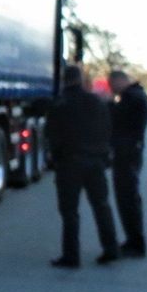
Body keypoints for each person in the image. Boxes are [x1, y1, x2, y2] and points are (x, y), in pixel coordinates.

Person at [46, 64, 119, 268]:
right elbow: (108, 129)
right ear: (81, 79)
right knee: (101, 206)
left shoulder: (60, 104)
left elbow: (52, 135)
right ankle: (111, 248)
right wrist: (104, 155)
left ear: (65, 81)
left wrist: (56, 158)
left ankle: (71, 256)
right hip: (95, 162)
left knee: (70, 212)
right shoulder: (97, 102)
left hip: (69, 163)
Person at [108, 68, 147, 257]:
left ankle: (135, 242)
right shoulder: (136, 95)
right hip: (130, 152)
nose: (111, 90)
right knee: (128, 198)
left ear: (120, 81)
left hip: (127, 154)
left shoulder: (132, 98)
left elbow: (117, 119)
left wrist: (108, 105)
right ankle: (133, 240)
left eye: (112, 86)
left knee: (127, 199)